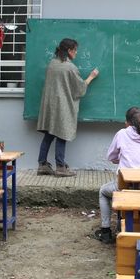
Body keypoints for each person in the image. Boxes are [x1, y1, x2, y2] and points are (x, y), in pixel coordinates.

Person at [93, 107, 140, 244]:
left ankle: (105, 231)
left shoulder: (122, 134)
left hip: (124, 188)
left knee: (104, 192)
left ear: (127, 123)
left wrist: (121, 158)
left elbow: (111, 156)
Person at [36, 38, 99, 177]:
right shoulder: (70, 68)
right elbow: (80, 89)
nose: (76, 53)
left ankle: (42, 164)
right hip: (62, 106)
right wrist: (91, 77)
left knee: (49, 134)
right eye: (75, 50)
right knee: (62, 134)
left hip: (50, 106)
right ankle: (60, 167)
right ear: (69, 51)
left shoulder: (52, 64)